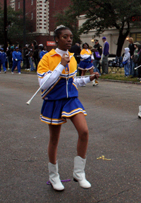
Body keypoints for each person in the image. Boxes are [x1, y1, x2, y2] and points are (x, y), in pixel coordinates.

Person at [37, 25, 99, 191]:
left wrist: (88, 78)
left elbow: (72, 81)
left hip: (71, 99)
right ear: (56, 39)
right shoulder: (47, 58)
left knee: (84, 131)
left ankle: (79, 172)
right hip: (54, 100)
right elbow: (44, 85)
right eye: (65, 37)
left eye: (70, 37)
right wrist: (59, 65)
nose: (69, 39)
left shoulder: (72, 57)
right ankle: (54, 176)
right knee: (54, 139)